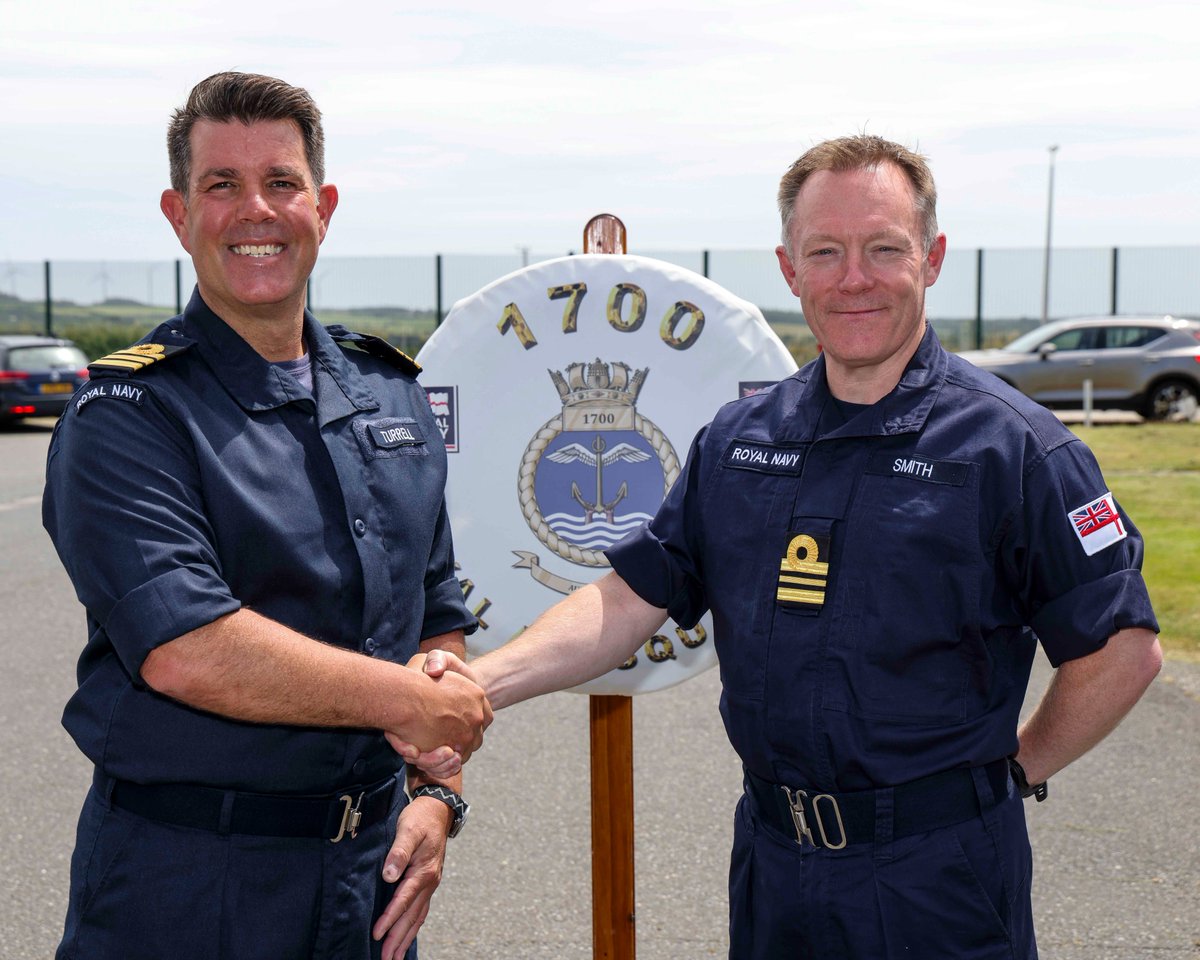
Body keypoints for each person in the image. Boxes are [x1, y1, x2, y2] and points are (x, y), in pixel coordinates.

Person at [409, 135, 1162, 958]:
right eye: (826, 252)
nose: (854, 278)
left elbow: (1122, 648)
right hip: (775, 865)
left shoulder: (1014, 448)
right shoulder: (739, 439)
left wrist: (1014, 772)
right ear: (788, 267)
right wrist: (478, 684)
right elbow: (629, 598)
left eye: (884, 249)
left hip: (937, 879)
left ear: (933, 257)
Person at [42, 71, 491, 960]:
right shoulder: (126, 414)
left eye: (281, 183)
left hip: (371, 881)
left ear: (321, 206)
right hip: (187, 881)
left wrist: (438, 796)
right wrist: (408, 700)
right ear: (178, 214)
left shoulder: (390, 394)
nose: (257, 210)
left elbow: (435, 614)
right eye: (222, 185)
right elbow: (187, 647)